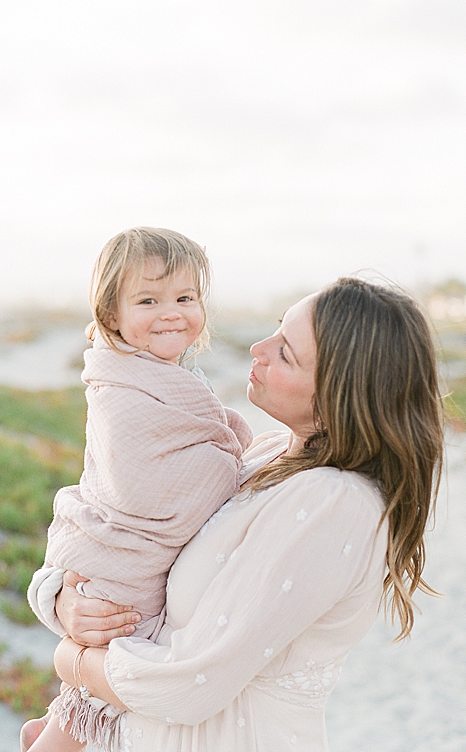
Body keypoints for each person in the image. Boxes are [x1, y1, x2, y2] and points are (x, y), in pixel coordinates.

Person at [29, 276, 443, 751]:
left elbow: (188, 684)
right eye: (275, 330)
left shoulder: (334, 502)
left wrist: (72, 658)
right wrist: (62, 598)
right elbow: (110, 521)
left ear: (340, 398)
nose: (258, 349)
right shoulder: (263, 457)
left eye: (285, 353)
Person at [23, 228, 253, 752]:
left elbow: (188, 447)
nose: (171, 312)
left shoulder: (162, 377)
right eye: (148, 300)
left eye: (185, 298)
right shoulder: (119, 389)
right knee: (88, 709)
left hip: (112, 574)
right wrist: (229, 460)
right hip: (118, 569)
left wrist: (224, 443)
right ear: (111, 315)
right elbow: (145, 494)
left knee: (87, 707)